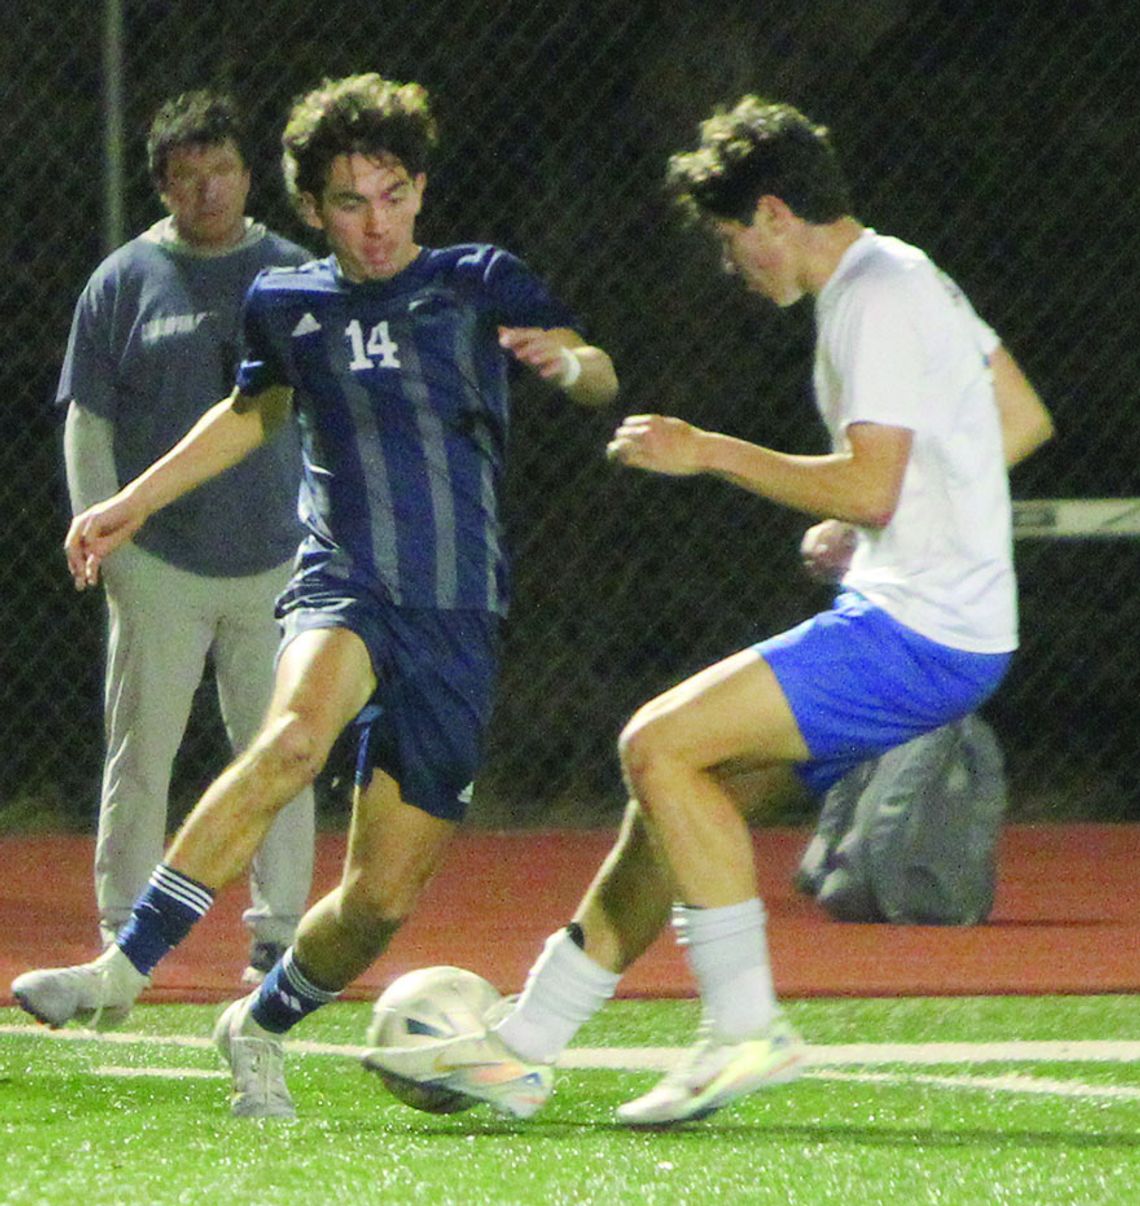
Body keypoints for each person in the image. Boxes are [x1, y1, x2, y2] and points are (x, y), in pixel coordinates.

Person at [364, 96, 1053, 1125]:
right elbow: (1017, 419)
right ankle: (524, 1043)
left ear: (774, 213)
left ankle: (745, 1031)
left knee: (657, 742)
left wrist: (711, 452)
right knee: (683, 790)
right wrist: (886, 529)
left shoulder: (871, 295)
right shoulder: (906, 273)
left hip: (923, 630)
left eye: (734, 240)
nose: (736, 266)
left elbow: (870, 483)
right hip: (937, 615)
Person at [13, 72, 618, 1120]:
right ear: (312, 209)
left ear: (420, 192)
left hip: (459, 612)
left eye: (390, 195)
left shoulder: (478, 280)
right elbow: (248, 416)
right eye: (349, 201)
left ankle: (256, 1026)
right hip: (343, 583)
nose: (374, 223)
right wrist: (128, 504)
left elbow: (604, 374)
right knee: (291, 740)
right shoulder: (288, 302)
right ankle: (125, 968)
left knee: (380, 901)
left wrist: (568, 362)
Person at [58, 89, 316, 983]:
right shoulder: (122, 281)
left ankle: (281, 931)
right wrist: (107, 531)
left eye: (222, 172)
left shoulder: (293, 275)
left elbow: (330, 415)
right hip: (160, 563)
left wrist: (327, 529)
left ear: (250, 176)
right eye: (185, 177)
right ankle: (126, 932)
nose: (206, 191)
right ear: (161, 187)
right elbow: (86, 418)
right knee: (142, 753)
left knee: (282, 750)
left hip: (277, 560)